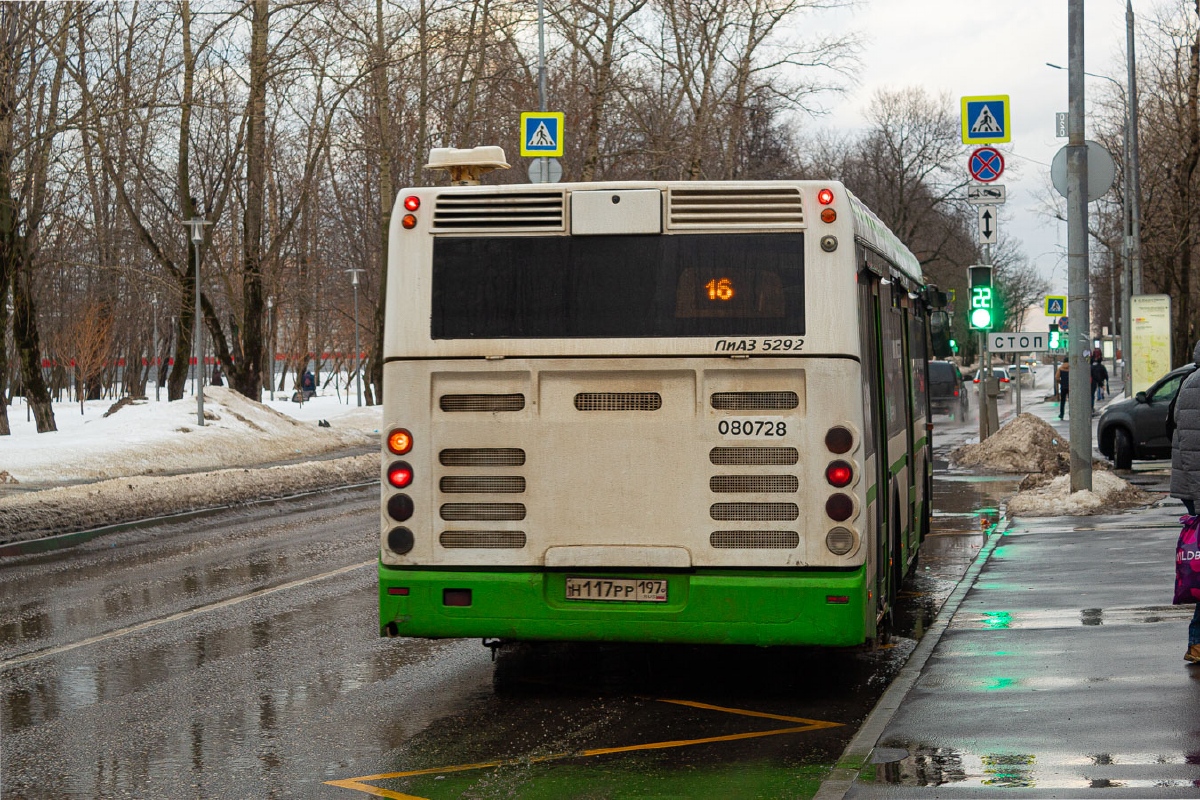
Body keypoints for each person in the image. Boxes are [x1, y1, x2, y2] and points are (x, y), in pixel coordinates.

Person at [1168, 340, 1200, 663]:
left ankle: (1196, 643)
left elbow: (1176, 434)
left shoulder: (1188, 382)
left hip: (1189, 487)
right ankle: (1196, 640)